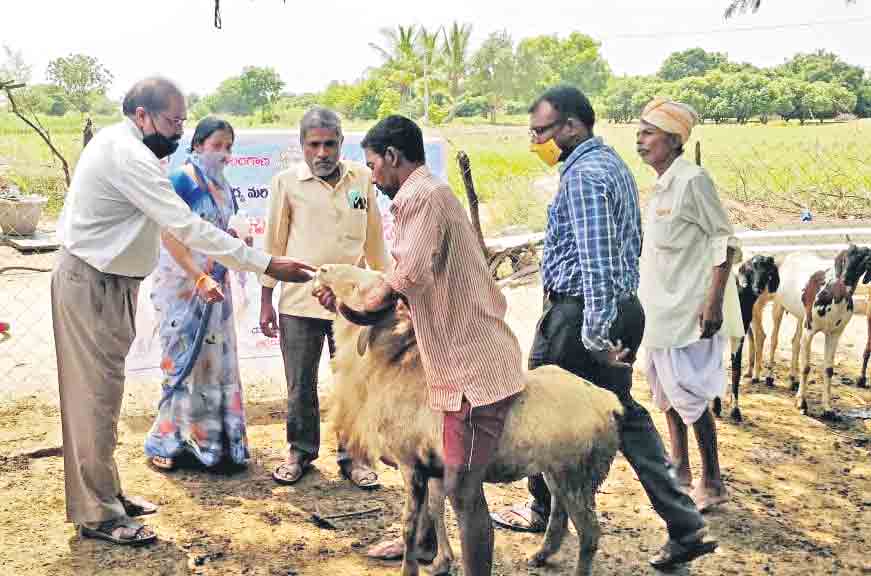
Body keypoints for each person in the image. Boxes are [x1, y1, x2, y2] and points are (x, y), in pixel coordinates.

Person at [52, 77, 314, 547]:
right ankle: (98, 513)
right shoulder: (131, 157)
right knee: (92, 400)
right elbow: (185, 226)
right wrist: (265, 264)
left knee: (104, 397)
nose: (179, 131)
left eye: (182, 121)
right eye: (173, 121)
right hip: (91, 283)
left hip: (108, 283)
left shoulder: (132, 149)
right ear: (142, 116)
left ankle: (107, 494)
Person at [489, 85, 717, 569]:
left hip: (582, 316)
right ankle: (684, 523)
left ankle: (542, 507)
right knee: (623, 412)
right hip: (617, 307)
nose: (536, 141)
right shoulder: (609, 164)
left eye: (542, 131)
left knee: (538, 406)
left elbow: (595, 264)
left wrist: (593, 336)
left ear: (572, 126)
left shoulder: (585, 177)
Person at [315, 115, 525, 576]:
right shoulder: (430, 194)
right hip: (466, 357)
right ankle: (434, 550)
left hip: (470, 367)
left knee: (464, 492)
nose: (371, 176)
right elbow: (411, 286)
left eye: (373, 165)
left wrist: (349, 310)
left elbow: (404, 279)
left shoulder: (420, 197)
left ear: (392, 157)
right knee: (449, 482)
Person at [260, 107, 390, 488]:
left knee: (354, 382)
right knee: (300, 383)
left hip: (352, 305)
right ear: (301, 146)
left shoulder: (362, 179)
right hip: (299, 302)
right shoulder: (286, 182)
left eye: (329, 144)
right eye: (313, 145)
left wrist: (386, 290)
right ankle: (300, 451)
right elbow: (273, 243)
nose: (322, 153)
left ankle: (356, 457)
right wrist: (266, 298)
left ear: (341, 144)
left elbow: (375, 241)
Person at [636, 97, 739, 512]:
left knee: (690, 394)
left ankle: (712, 480)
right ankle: (679, 468)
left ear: (674, 140)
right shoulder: (662, 184)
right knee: (664, 390)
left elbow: (724, 241)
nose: (640, 140)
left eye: (648, 133)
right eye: (639, 132)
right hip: (658, 309)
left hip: (689, 310)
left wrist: (713, 302)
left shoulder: (693, 180)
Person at [145, 116, 254, 471]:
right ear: (197, 146)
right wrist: (197, 276)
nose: (223, 154)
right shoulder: (182, 179)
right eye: (216, 146)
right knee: (181, 359)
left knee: (214, 362)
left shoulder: (222, 185)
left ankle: (213, 442)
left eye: (228, 147)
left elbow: (220, 231)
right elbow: (168, 232)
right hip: (182, 287)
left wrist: (236, 244)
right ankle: (168, 441)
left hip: (215, 284)